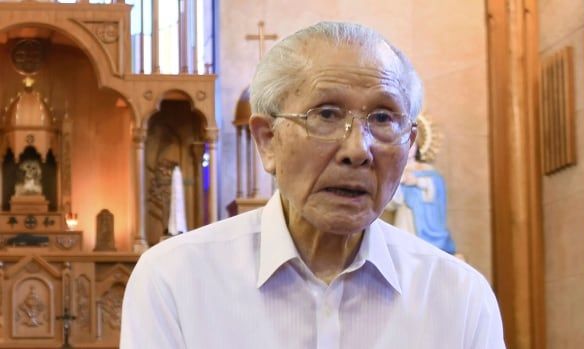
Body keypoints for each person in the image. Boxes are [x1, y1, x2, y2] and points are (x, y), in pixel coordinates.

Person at [120, 21, 505, 348]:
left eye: (383, 117)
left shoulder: (460, 297)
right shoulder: (175, 279)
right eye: (326, 114)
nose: (358, 150)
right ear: (267, 140)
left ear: (410, 143)